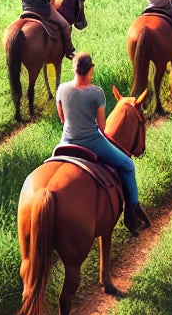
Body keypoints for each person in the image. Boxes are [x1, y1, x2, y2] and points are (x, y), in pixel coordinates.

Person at [55, 52, 150, 235]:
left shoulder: (62, 89)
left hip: (66, 141)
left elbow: (63, 119)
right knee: (128, 165)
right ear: (90, 70)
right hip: (92, 142)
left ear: (74, 69)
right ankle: (132, 212)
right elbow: (101, 126)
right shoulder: (96, 92)